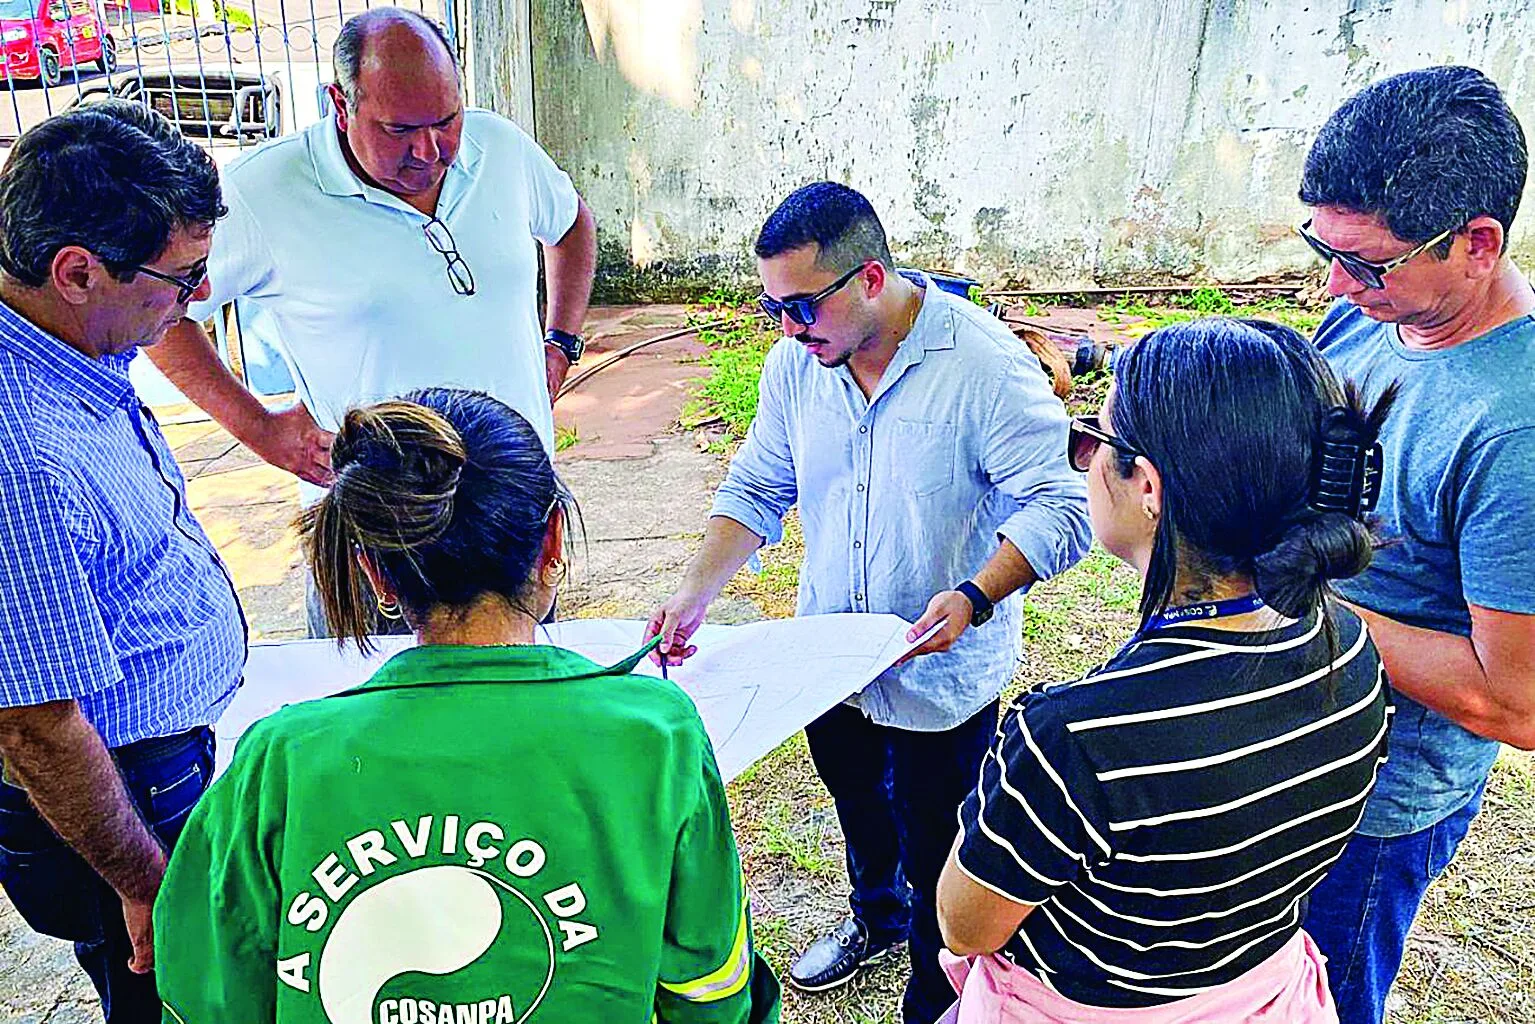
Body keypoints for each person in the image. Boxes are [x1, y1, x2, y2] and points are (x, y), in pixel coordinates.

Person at [154, 388, 780, 1023]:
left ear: (374, 574)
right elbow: (712, 990)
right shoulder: (656, 734)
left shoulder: (280, 761)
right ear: (552, 543)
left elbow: (207, 989)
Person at [645, 182, 1091, 1022]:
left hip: (941, 672)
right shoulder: (797, 365)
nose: (786, 329)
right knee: (858, 807)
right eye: (772, 308)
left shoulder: (983, 365)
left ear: (872, 279)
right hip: (831, 660)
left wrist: (973, 594)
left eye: (802, 306)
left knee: (938, 842)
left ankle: (935, 986)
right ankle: (873, 920)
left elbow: (1061, 505)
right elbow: (758, 484)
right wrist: (694, 593)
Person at [935, 317, 1393, 1022]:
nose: (1084, 459)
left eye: (1095, 441)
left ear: (1146, 486)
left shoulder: (1072, 737)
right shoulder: (1349, 648)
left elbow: (964, 928)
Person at [144, 6, 597, 635]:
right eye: (399, 129)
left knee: (521, 712)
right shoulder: (264, 193)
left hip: (512, 519)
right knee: (370, 721)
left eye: (446, 121)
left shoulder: (501, 147)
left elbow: (573, 224)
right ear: (339, 101)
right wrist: (259, 429)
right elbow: (160, 311)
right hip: (377, 538)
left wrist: (561, 341)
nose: (429, 150)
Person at [1293, 66, 1535, 1023]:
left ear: (1477, 243)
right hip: (1288, 739)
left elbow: (1515, 702)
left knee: (1322, 1001)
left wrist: (1296, 597)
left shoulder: (1513, 431)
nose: (1337, 286)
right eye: (1324, 249)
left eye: (1369, 264)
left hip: (1374, 806)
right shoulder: (1370, 306)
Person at [0, 101, 246, 1023]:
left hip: (151, 763)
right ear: (75, 271)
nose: (198, 298)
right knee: (171, 996)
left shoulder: (67, 342)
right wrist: (147, 885)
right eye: (180, 279)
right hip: (120, 801)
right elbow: (33, 723)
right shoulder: (17, 452)